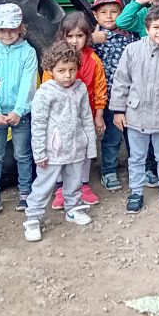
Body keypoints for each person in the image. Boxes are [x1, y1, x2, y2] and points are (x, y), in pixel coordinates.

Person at [109, 3, 159, 215]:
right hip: (135, 116)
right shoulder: (132, 50)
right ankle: (136, 191)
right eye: (156, 27)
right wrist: (118, 110)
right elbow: (121, 81)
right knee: (136, 157)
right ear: (147, 28)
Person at [22, 41, 96, 242]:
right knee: (43, 185)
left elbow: (86, 117)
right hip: (52, 151)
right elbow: (37, 124)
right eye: (61, 70)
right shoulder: (45, 93)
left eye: (72, 70)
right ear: (51, 70)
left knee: (74, 181)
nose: (68, 75)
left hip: (76, 148)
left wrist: (89, 145)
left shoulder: (80, 88)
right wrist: (39, 152)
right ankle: (33, 218)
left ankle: (73, 209)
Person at [0, 3, 38, 214]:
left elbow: (28, 84)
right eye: (2, 29)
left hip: (19, 112)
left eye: (12, 29)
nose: (7, 34)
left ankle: (25, 192)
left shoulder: (28, 53)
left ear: (20, 27)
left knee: (22, 154)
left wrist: (19, 110)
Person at [44, 13, 107, 208]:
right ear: (62, 36)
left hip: (84, 115)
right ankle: (62, 188)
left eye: (79, 36)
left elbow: (100, 88)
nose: (74, 41)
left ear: (87, 36)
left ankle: (83, 185)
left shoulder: (93, 59)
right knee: (61, 149)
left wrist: (99, 116)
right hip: (60, 117)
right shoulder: (55, 59)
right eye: (70, 36)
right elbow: (46, 90)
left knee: (85, 149)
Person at [90, 0, 137, 192]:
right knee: (112, 136)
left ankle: (141, 168)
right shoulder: (93, 38)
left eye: (114, 11)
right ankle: (108, 170)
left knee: (134, 135)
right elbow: (74, 48)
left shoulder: (130, 36)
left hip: (131, 95)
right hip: (107, 97)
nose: (109, 16)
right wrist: (92, 39)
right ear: (95, 16)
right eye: (104, 12)